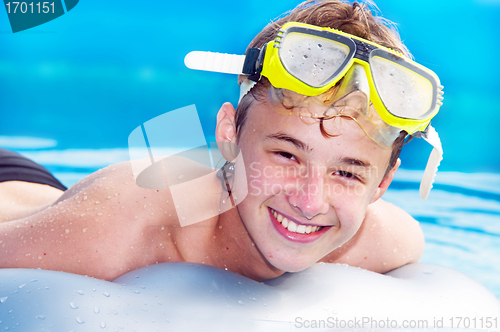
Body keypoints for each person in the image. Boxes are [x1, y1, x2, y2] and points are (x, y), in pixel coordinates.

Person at [0, 0, 442, 281]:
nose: (310, 202)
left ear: (382, 185)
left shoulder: (387, 242)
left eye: (346, 171)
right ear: (229, 134)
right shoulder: (120, 228)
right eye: (287, 154)